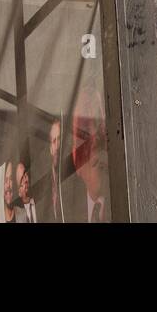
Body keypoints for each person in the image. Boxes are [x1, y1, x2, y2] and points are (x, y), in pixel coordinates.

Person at [63, 86, 108, 222]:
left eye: (99, 125)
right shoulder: (67, 213)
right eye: (84, 130)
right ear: (75, 157)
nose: (94, 142)